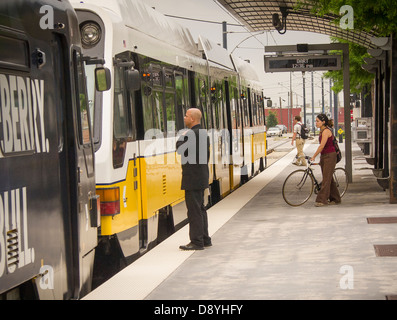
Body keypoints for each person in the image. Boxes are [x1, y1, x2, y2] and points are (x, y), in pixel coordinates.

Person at [176, 108, 212, 250]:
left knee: (194, 211)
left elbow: (179, 149)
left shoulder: (190, 134)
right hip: (201, 176)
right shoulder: (203, 134)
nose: (184, 118)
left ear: (192, 119)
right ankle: (205, 238)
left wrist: (182, 136)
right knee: (201, 208)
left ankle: (197, 242)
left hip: (192, 178)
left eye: (186, 116)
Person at [310, 114, 341, 207]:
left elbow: (322, 146)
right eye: (315, 121)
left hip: (330, 156)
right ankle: (336, 198)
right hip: (324, 156)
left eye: (317, 121)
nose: (316, 123)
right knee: (329, 178)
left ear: (323, 122)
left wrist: (314, 156)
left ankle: (322, 200)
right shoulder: (322, 131)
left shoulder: (326, 131)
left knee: (326, 180)